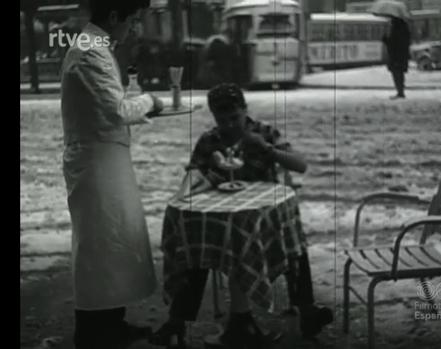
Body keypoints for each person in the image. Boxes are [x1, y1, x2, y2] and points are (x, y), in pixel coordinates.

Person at [149, 83, 332, 348]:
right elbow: (192, 175)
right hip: (221, 220)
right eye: (222, 120)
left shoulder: (264, 132)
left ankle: (307, 312)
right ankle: (177, 322)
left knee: (292, 243)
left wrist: (267, 149)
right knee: (196, 247)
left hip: (261, 219)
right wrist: (206, 173)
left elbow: (300, 165)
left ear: (245, 111)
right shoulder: (210, 140)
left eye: (234, 118)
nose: (230, 125)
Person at [60, 1, 165, 348]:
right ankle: (92, 332)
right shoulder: (91, 51)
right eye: (133, 20)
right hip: (96, 163)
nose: (135, 28)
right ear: (116, 17)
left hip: (105, 159)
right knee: (99, 250)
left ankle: (112, 323)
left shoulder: (96, 46)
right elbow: (118, 110)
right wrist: (152, 101)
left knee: (114, 245)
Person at [382, 16, 411, 99]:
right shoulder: (405, 29)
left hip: (395, 56)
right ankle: (401, 91)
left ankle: (400, 92)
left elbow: (392, 44)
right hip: (402, 56)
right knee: (400, 74)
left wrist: (385, 39)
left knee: (396, 74)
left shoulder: (395, 30)